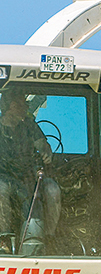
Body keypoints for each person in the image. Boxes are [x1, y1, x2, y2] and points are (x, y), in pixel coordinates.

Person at [0, 91, 61, 256]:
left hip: (28, 178)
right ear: (12, 106)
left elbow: (43, 144)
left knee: (52, 189)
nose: (26, 107)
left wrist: (46, 153)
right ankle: (3, 240)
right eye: (22, 103)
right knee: (1, 188)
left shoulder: (28, 126)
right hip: (4, 178)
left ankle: (49, 237)